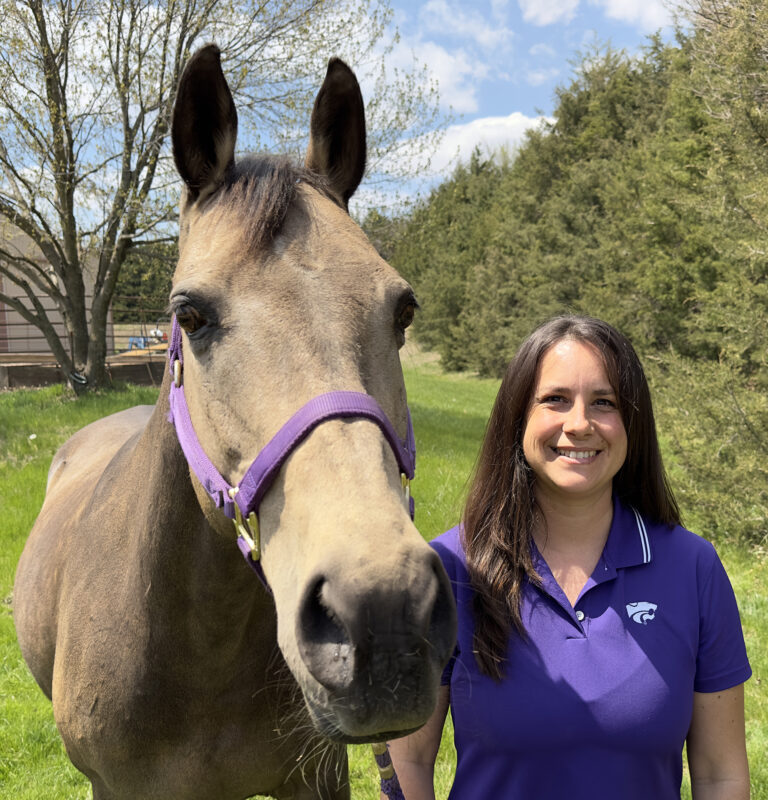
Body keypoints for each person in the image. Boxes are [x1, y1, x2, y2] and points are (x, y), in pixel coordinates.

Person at [386, 315, 751, 800]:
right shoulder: (452, 567)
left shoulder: (693, 568)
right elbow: (407, 761)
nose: (579, 424)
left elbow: (720, 774)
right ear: (518, 418)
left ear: (632, 425)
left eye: (604, 403)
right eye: (555, 400)